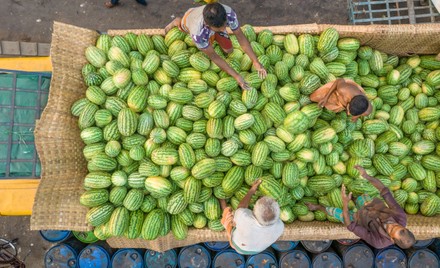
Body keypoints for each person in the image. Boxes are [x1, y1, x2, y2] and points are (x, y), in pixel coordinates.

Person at [306, 165, 416, 249]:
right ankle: (352, 197)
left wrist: (345, 203)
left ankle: (316, 207)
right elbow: (384, 190)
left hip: (358, 220)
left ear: (392, 239)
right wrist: (366, 175)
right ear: (404, 227)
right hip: (371, 206)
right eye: (397, 226)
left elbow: (351, 226)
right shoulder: (400, 216)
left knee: (335, 212)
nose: (392, 225)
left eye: (392, 229)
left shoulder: (379, 242)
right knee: (360, 198)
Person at [164, 2, 267, 90]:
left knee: (229, 50)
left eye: (225, 25)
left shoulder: (228, 13)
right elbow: (214, 56)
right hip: (190, 19)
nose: (224, 30)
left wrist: (255, 61)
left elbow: (240, 36)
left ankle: (215, 34)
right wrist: (236, 76)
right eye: (220, 29)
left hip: (209, 20)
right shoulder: (198, 34)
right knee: (181, 25)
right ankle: (176, 21)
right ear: (209, 26)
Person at [220, 179, 284, 255]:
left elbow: (241, 207)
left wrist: (252, 190)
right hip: (258, 249)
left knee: (229, 215)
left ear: (253, 211)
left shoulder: (244, 218)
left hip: (239, 246)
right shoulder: (280, 226)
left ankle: (221, 200)